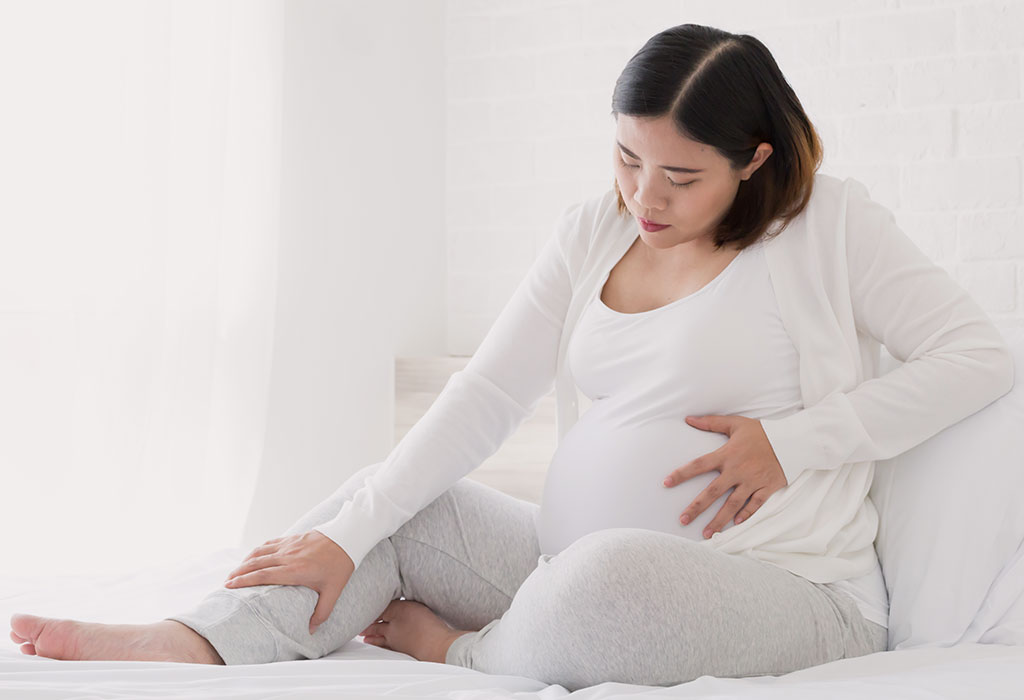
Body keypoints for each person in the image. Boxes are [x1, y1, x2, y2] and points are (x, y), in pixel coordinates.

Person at [9, 23, 1014, 691]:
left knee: (605, 580)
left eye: (679, 175)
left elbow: (978, 354)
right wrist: (351, 531)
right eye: (627, 159)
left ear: (754, 160)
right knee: (394, 506)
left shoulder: (828, 225)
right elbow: (487, 391)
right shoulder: (593, 230)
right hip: (555, 561)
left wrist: (796, 443)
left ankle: (475, 652)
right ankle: (201, 637)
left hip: (783, 593)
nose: (643, 197)